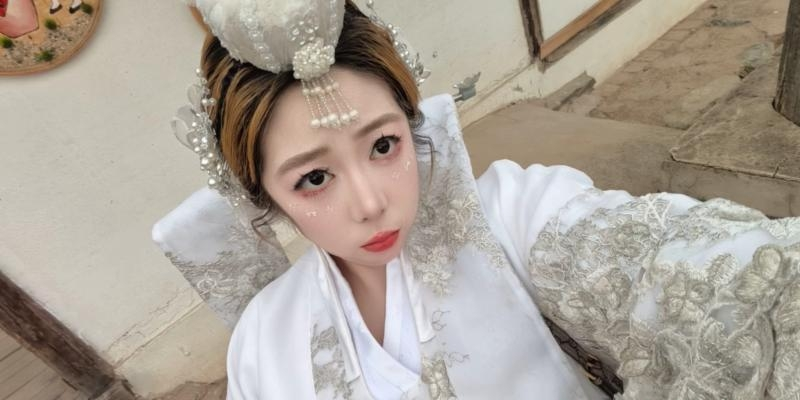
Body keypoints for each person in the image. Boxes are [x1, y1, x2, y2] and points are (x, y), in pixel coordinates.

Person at [154, 0, 800, 399]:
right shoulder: (264, 339)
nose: (372, 203)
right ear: (264, 196)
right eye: (314, 179)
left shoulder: (510, 214)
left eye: (383, 145)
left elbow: (698, 263)